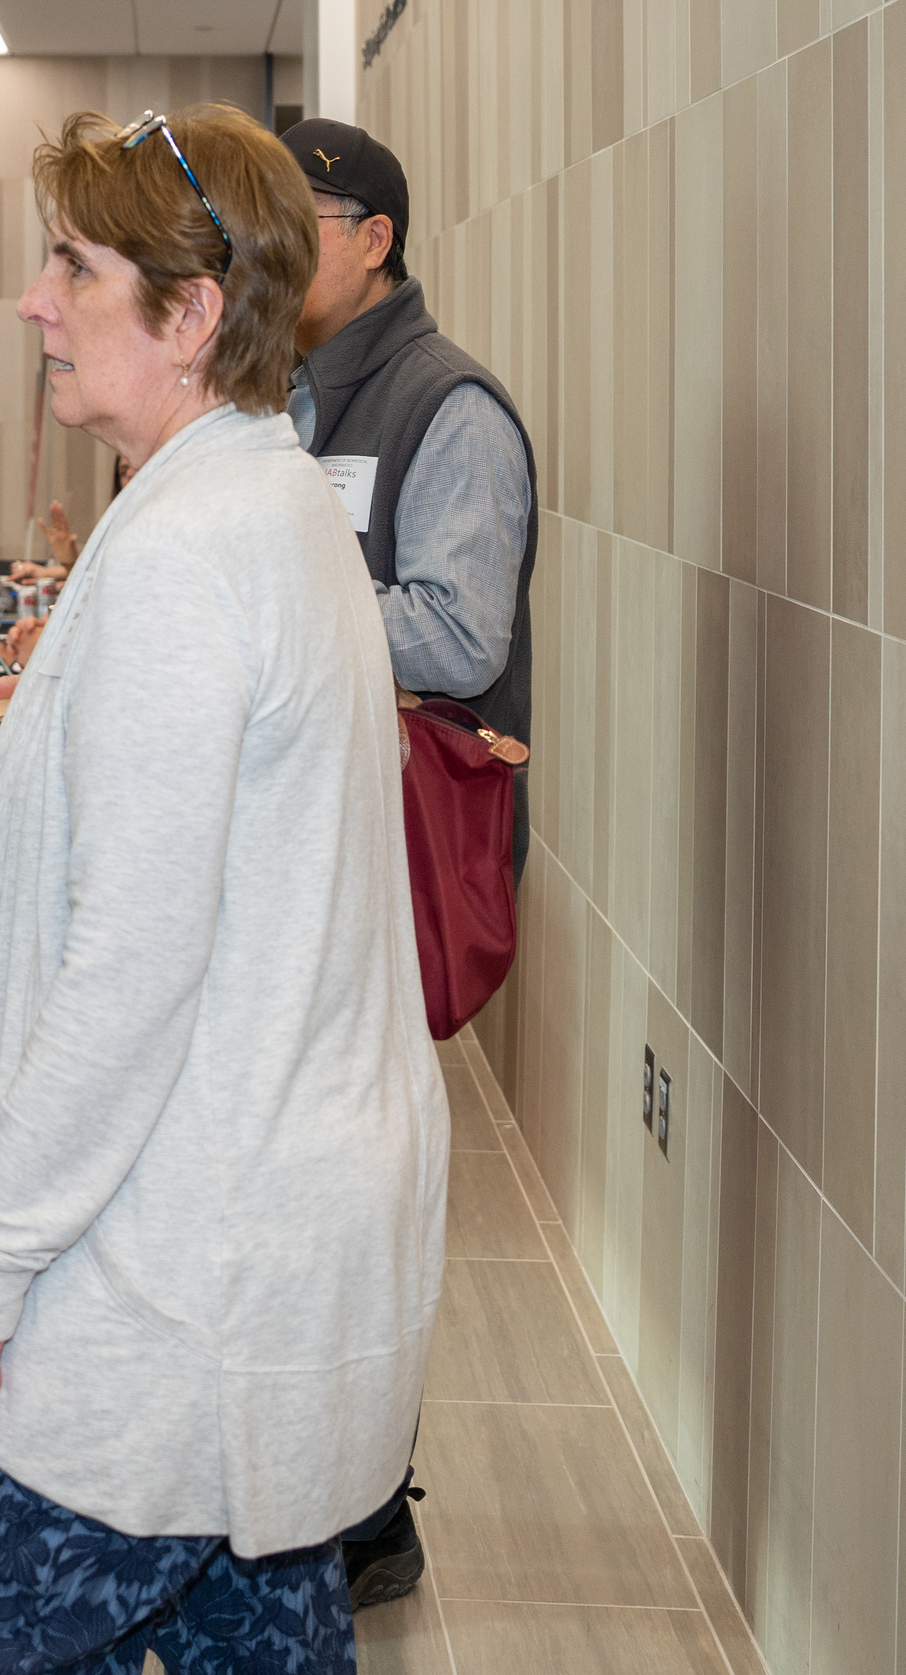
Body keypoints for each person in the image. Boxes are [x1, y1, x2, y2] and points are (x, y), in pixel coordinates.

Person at [0, 106, 445, 1675]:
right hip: (264, 1271)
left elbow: (131, 973)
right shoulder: (266, 504)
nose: (34, 303)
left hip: (166, 1289)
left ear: (192, 314)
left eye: (73, 264)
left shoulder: (189, 553)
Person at [278, 116, 538, 1608]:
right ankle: (337, 1492)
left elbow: (457, 633)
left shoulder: (450, 408)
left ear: (373, 236)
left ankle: (368, 1512)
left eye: (296, 219)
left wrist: (262, 611)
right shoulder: (293, 391)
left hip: (393, 847)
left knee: (356, 1179)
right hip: (314, 834)